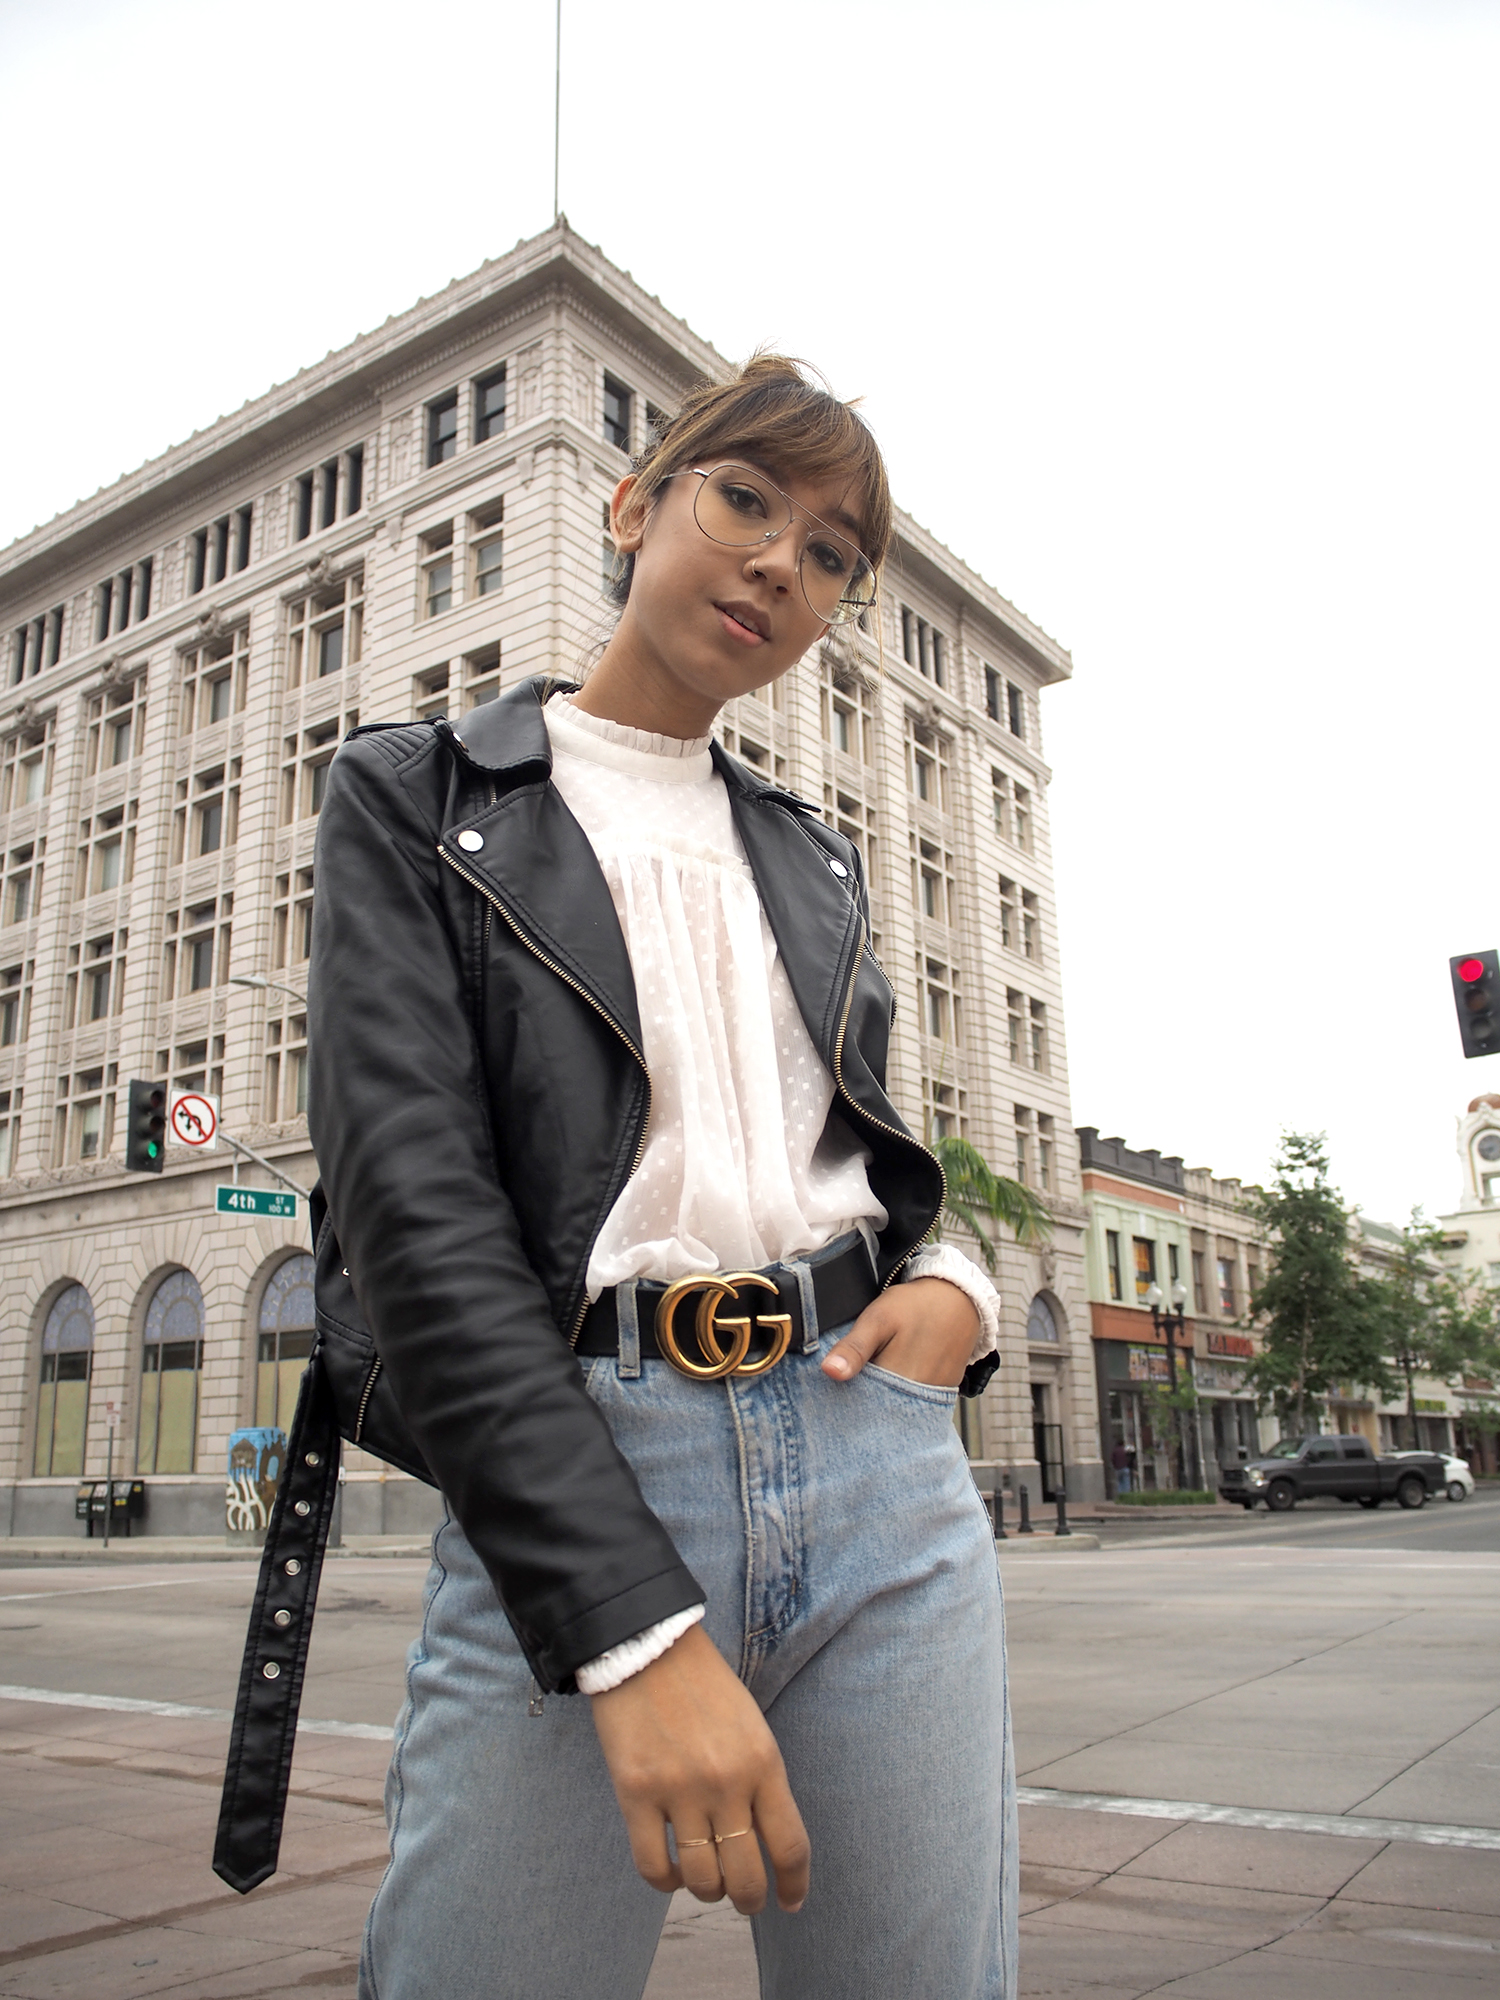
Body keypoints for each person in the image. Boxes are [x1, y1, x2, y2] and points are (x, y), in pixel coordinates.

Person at [303, 356, 1015, 1998]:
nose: (783, 561)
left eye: (832, 552)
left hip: (883, 1479)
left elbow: (879, 1151)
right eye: (746, 500)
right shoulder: (416, 797)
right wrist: (625, 1624)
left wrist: (956, 1291)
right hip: (584, 1462)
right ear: (635, 509)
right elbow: (420, 1222)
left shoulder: (809, 850)